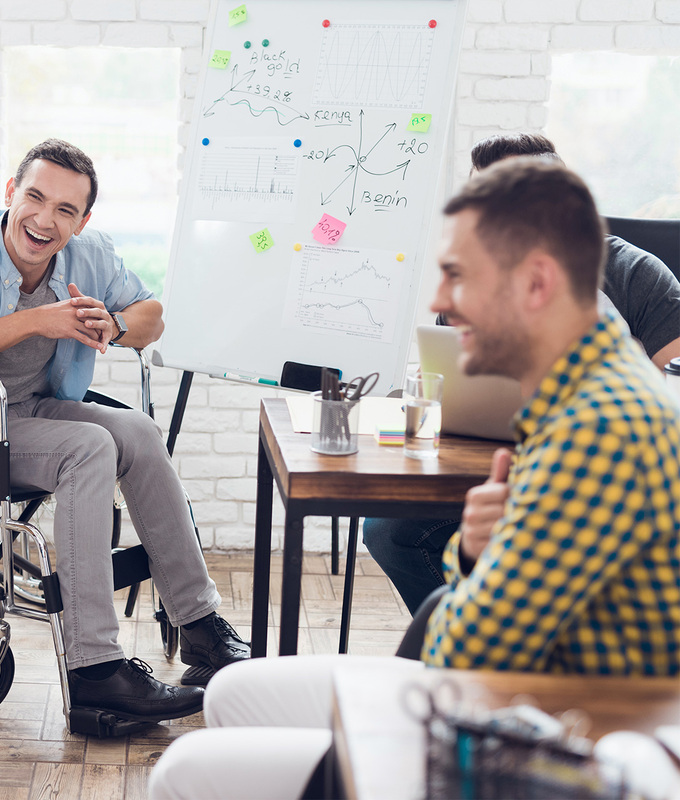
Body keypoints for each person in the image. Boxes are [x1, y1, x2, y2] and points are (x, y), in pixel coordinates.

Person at [148, 159, 680, 799]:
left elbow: (462, 658)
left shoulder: (597, 431)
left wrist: (472, 562)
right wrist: (477, 554)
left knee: (184, 771)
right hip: (516, 697)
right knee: (233, 690)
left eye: (460, 276)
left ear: (536, 283)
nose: (439, 302)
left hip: (555, 734)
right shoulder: (583, 391)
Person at [0, 139, 249, 723]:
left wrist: (116, 323)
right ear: (11, 192)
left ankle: (201, 628)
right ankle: (95, 670)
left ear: (82, 220)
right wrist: (36, 320)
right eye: (34, 197)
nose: (44, 219)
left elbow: (153, 316)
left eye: (65, 210)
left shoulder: (90, 254)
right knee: (89, 448)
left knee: (138, 432)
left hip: (32, 409)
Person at [364, 131, 680, 613]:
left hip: (598, 477)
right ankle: (475, 629)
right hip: (490, 469)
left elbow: (673, 382)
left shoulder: (635, 273)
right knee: (389, 531)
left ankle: (491, 632)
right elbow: (452, 382)